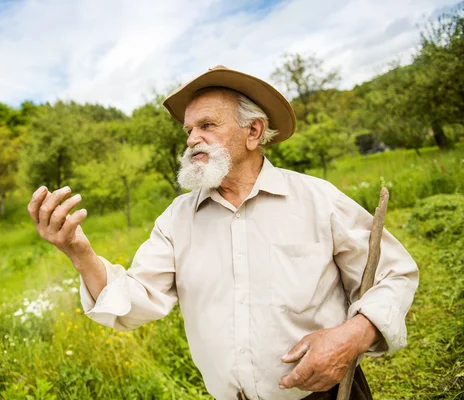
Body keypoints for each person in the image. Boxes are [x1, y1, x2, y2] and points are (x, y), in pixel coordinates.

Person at [27, 65, 419, 400]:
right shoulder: (177, 221)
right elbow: (135, 301)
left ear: (253, 132)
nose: (192, 138)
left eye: (207, 125)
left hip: (329, 393)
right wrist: (80, 253)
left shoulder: (317, 199)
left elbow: (394, 273)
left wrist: (354, 335)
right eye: (188, 130)